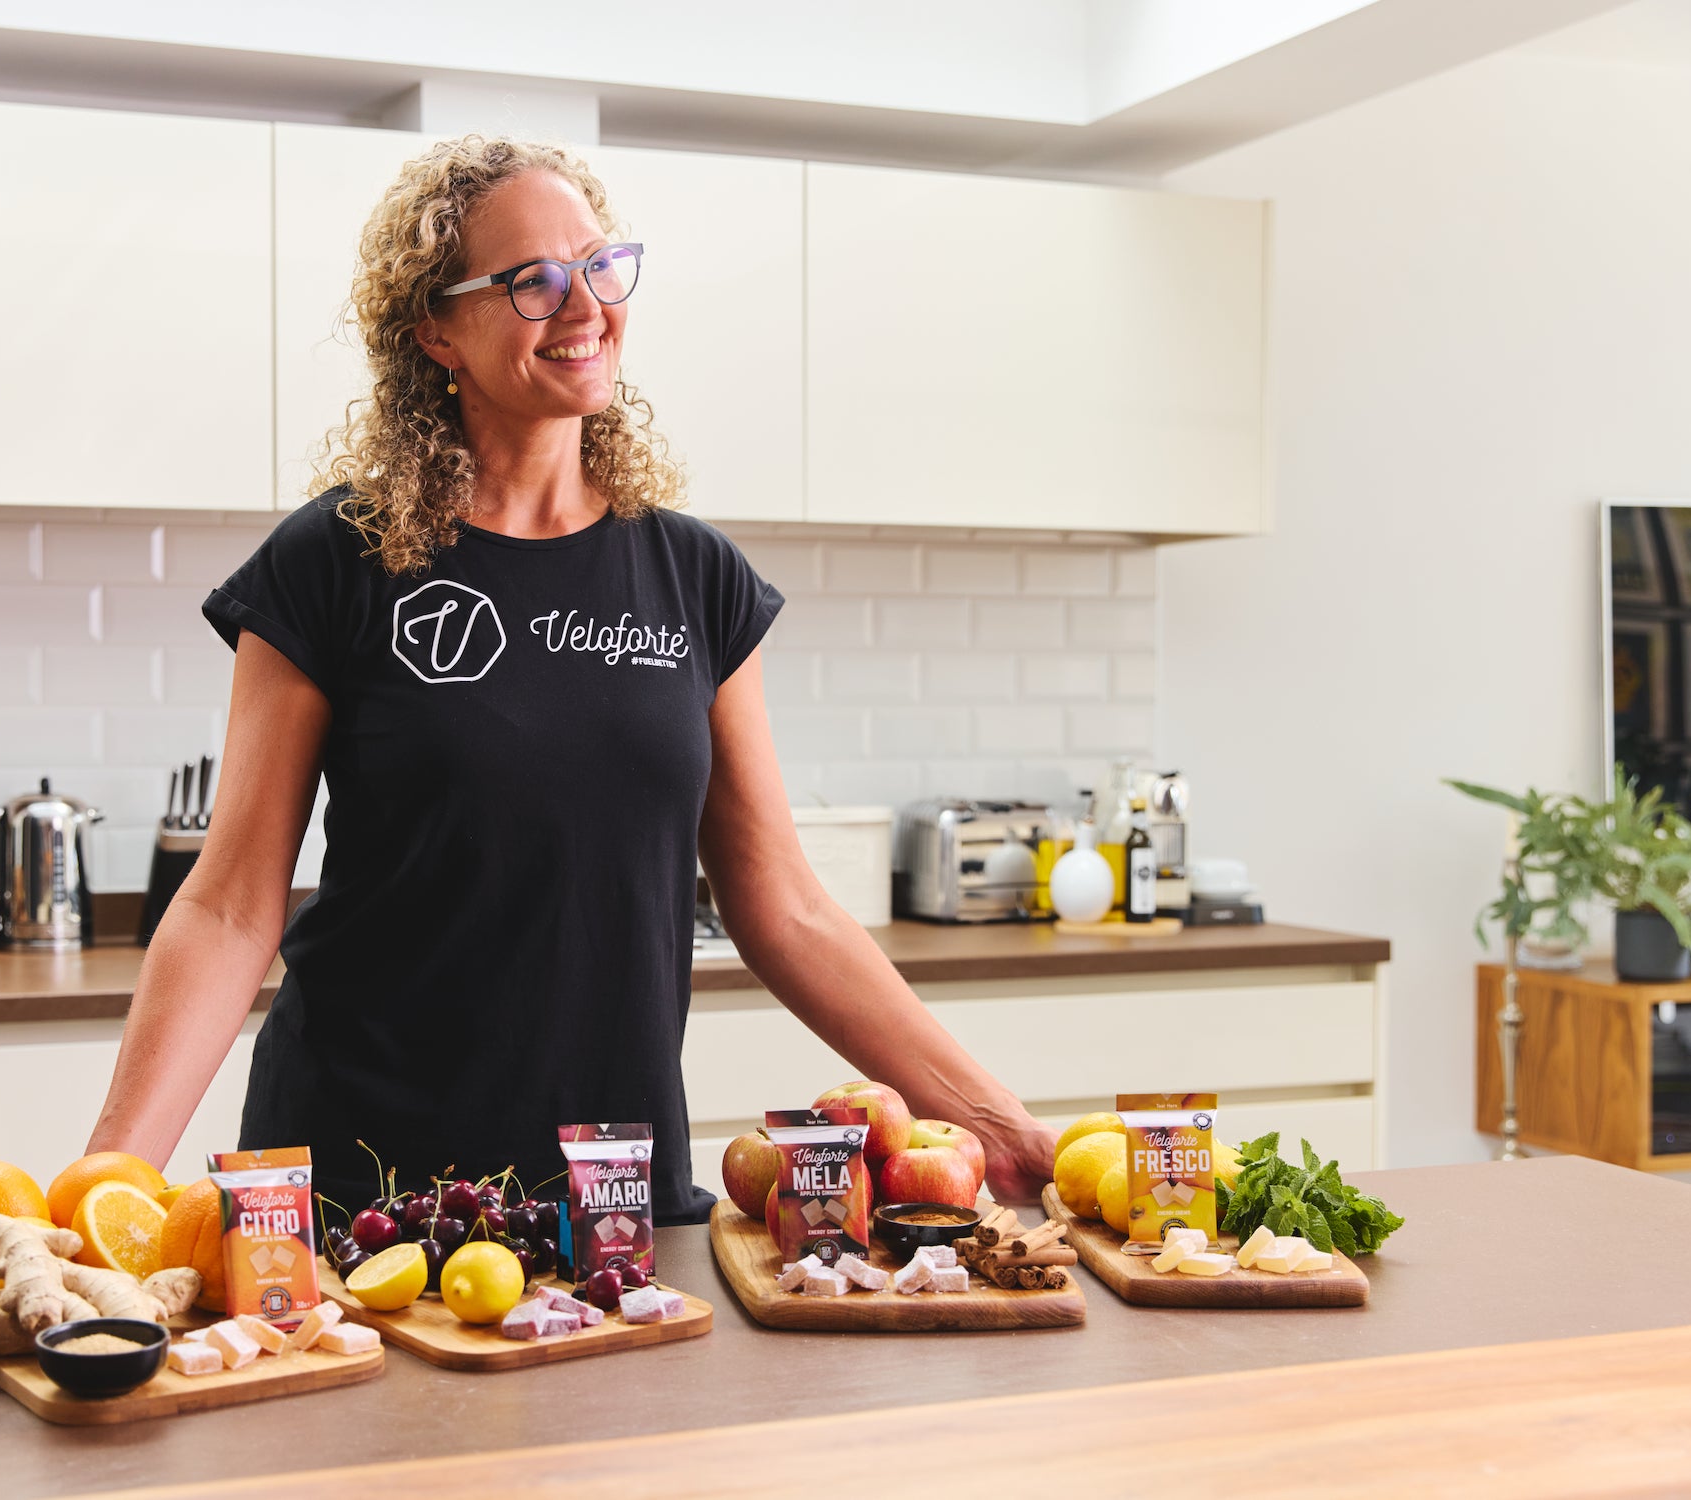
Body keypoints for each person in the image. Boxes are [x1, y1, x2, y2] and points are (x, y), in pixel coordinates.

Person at [86, 135, 1056, 1221]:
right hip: (363, 1189)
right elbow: (226, 908)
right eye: (530, 282)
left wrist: (990, 1121)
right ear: (434, 331)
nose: (583, 305)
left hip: (612, 1196)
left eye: (599, 265)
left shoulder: (695, 578)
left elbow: (780, 905)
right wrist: (106, 1178)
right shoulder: (334, 562)